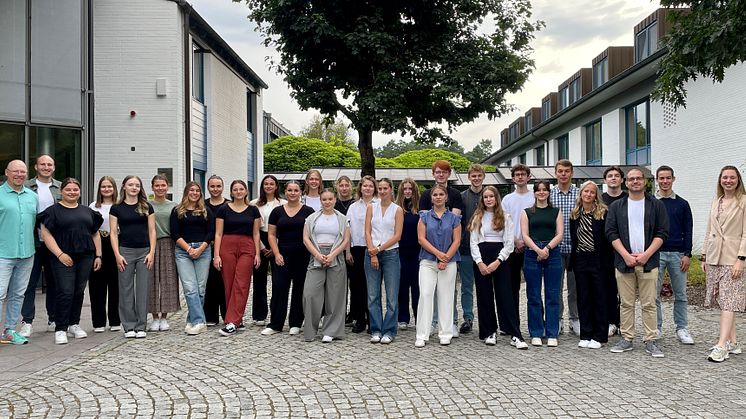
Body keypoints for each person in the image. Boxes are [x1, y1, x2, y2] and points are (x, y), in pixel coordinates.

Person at [606, 167, 669, 357]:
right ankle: (627, 338)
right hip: (623, 261)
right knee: (626, 303)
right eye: (631, 179)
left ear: (645, 182)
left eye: (638, 179)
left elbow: (662, 232)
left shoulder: (656, 205)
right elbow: (610, 232)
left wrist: (646, 255)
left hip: (648, 261)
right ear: (626, 182)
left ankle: (650, 340)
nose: (635, 182)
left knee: (649, 303)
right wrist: (625, 255)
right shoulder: (617, 206)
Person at [38, 178, 103, 344]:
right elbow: (46, 235)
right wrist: (60, 254)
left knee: (79, 291)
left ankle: (74, 324)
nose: (72, 192)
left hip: (86, 256)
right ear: (61, 191)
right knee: (65, 291)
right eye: (68, 190)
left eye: (75, 190)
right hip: (62, 257)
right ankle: (61, 328)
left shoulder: (87, 211)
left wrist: (98, 255)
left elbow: (95, 233)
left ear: (79, 192)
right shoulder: (52, 211)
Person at [469, 186, 527, 349]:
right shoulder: (477, 217)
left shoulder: (505, 217)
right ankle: (489, 331)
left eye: (491, 196)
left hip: (501, 259)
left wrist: (498, 261)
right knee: (484, 295)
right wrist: (479, 262)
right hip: (481, 258)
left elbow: (509, 244)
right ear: (482, 199)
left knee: (505, 295)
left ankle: (514, 333)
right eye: (485, 197)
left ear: (496, 198)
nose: (488, 199)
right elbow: (473, 242)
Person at [702, 166, 746, 362]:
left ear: (738, 180)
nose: (728, 180)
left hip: (733, 258)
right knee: (723, 299)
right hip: (714, 257)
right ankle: (733, 342)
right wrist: (704, 255)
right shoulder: (716, 201)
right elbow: (709, 228)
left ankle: (721, 346)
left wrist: (741, 259)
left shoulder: (744, 202)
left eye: (732, 177)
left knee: (729, 301)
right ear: (720, 179)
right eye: (725, 177)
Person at [262, 181, 315, 335]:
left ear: (300, 193)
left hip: (302, 255)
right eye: (290, 190)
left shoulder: (308, 211)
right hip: (282, 255)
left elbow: (311, 234)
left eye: (296, 190)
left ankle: (295, 323)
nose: (292, 193)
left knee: (299, 289)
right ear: (285, 192)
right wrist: (276, 253)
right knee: (279, 288)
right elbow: (271, 234)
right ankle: (275, 324)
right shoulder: (277, 212)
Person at [419, 160, 464, 337]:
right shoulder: (425, 200)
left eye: (441, 195)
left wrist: (446, 257)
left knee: (447, 296)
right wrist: (438, 255)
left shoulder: (455, 204)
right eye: (435, 195)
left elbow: (456, 238)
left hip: (449, 257)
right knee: (427, 293)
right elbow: (422, 236)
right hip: (429, 257)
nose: (438, 197)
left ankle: (446, 330)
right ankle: (425, 328)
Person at [110, 175, 156, 339]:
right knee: (125, 289)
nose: (134, 187)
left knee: (143, 289)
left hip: (144, 251)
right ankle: (129, 326)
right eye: (130, 184)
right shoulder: (116, 208)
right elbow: (114, 233)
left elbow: (152, 231)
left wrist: (152, 252)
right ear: (124, 187)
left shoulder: (146, 207)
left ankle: (141, 325)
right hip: (125, 251)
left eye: (137, 185)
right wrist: (117, 254)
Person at [20, 155, 61, 337]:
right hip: (32, 241)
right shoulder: (26, 186)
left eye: (49, 164)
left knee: (54, 282)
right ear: (36, 167)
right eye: (42, 164)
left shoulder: (61, 187)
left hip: (55, 242)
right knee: (29, 283)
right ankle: (27, 321)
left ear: (54, 167)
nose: (46, 167)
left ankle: (53, 318)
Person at [302, 189, 350, 342]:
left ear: (335, 200)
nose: (327, 202)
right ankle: (310, 330)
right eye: (324, 199)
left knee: (335, 296)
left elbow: (345, 240)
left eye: (330, 199)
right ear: (320, 201)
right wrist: (318, 255)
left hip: (336, 256)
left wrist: (332, 255)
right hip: (316, 255)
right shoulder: (312, 218)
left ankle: (331, 331)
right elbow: (306, 238)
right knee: (309, 294)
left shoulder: (342, 218)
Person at [214, 180, 261, 336]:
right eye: (235, 189)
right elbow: (218, 233)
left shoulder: (253, 210)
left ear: (246, 191)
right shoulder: (223, 209)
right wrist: (216, 255)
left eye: (241, 189)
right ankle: (235, 320)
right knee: (229, 283)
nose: (239, 191)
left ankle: (232, 321)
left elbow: (256, 233)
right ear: (231, 192)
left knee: (242, 283)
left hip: (247, 246)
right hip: (227, 246)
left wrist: (258, 254)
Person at [655, 165, 694, 344]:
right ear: (657, 180)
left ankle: (681, 328)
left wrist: (687, 254)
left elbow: (688, 230)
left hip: (678, 254)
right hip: (656, 254)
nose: (665, 181)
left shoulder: (682, 204)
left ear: (673, 179)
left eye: (668, 178)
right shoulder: (651, 202)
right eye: (661, 178)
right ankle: (657, 327)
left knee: (680, 294)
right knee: (653, 295)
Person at [521, 180, 563, 347]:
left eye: (545, 190)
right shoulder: (527, 212)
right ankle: (536, 332)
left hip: (552, 253)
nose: (542, 193)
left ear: (549, 192)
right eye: (538, 190)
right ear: (534, 193)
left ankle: (552, 332)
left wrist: (546, 248)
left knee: (553, 295)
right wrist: (538, 250)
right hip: (532, 253)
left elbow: (560, 234)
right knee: (534, 295)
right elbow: (525, 235)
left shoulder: (556, 211)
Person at [568, 181, 610, 349]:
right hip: (580, 260)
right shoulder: (575, 214)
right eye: (586, 191)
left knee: (599, 297)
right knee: (583, 297)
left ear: (596, 195)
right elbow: (573, 238)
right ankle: (586, 334)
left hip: (598, 260)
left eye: (592, 192)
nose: (588, 194)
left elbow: (607, 241)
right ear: (581, 193)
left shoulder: (603, 213)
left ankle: (599, 336)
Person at [0, 160, 38, 345]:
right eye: (15, 171)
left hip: (26, 254)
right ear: (7, 173)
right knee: (0, 293)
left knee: (18, 294)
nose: (19, 175)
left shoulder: (32, 196)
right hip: (3, 253)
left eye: (23, 172)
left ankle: (9, 330)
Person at [170, 182, 214, 336]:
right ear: (186, 192)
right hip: (183, 251)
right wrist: (189, 249)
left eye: (197, 190)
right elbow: (174, 233)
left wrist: (200, 249)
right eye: (191, 190)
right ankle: (199, 322)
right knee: (190, 288)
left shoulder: (206, 210)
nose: (194, 193)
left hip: (203, 250)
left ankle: (192, 319)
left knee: (200, 289)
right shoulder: (177, 211)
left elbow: (211, 233)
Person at [365, 178, 403, 344]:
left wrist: (379, 249)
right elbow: (367, 231)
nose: (382, 191)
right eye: (379, 188)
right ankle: (376, 329)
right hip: (371, 253)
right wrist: (373, 253)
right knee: (373, 295)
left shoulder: (397, 210)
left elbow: (397, 235)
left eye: (385, 188)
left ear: (391, 189)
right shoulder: (371, 207)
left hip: (390, 254)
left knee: (392, 296)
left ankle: (389, 330)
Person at [249, 175, 286, 326]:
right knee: (259, 280)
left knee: (278, 281)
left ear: (276, 186)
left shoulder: (283, 203)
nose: (269, 186)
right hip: (259, 240)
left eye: (272, 184)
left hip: (278, 240)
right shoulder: (254, 204)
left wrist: (274, 246)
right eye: (266, 184)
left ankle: (276, 313)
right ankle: (259, 314)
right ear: (262, 186)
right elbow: (253, 229)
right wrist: (263, 247)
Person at [501, 164, 535, 330]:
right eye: (517, 175)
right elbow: (503, 224)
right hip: (512, 247)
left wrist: (527, 241)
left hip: (531, 248)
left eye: (523, 174)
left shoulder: (535, 197)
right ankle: (511, 325)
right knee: (511, 287)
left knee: (533, 288)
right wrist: (516, 241)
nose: (520, 177)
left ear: (529, 177)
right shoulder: (507, 199)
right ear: (513, 178)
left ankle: (535, 325)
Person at [549, 159, 579, 336]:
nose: (563, 174)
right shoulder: (550, 195)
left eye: (567, 171)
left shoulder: (579, 193)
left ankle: (574, 319)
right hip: (556, 248)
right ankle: (557, 319)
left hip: (576, 248)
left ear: (571, 173)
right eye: (560, 171)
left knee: (575, 287)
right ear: (556, 173)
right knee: (556, 286)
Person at [88, 176, 121, 333]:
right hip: (97, 245)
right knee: (97, 285)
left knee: (116, 284)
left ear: (114, 188)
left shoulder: (120, 205)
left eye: (109, 186)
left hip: (116, 244)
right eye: (103, 187)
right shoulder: (93, 206)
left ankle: (115, 320)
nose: (106, 189)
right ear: (99, 189)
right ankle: (98, 322)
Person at [346, 175, 377, 333]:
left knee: (371, 286)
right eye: (365, 186)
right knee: (357, 286)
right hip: (356, 249)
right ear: (360, 188)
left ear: (374, 188)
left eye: (370, 186)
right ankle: (360, 319)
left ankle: (373, 320)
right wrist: (347, 251)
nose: (367, 188)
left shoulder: (379, 205)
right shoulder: (353, 207)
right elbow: (348, 230)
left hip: (373, 249)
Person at [148, 175, 179, 332]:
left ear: (167, 187)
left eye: (163, 185)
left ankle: (164, 317)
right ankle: (154, 317)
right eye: (157, 185)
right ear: (152, 187)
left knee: (168, 280)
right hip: (150, 244)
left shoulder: (174, 206)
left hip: (169, 243)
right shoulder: (146, 205)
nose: (160, 188)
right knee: (152, 280)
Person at [457, 164, 485, 334]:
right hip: (466, 248)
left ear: (483, 176)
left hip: (486, 248)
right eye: (473, 176)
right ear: (469, 177)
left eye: (479, 176)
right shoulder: (462, 197)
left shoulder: (490, 195)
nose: (476, 179)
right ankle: (468, 318)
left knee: (485, 286)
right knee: (467, 286)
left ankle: (487, 317)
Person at [601, 166, 627, 337]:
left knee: (625, 290)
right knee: (609, 288)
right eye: (610, 176)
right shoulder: (600, 199)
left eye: (617, 176)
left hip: (626, 250)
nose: (613, 178)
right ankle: (611, 321)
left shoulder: (628, 198)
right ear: (605, 181)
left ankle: (624, 323)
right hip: (605, 250)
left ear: (622, 180)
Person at [396, 178, 421, 330]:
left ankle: (419, 316)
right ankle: (403, 317)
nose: (407, 191)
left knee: (418, 286)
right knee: (402, 286)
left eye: (410, 189)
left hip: (418, 252)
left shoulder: (421, 208)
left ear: (414, 191)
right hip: (401, 251)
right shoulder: (396, 208)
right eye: (405, 189)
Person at [204, 175, 229, 326]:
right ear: (208, 188)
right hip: (206, 247)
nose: (215, 189)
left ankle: (227, 314)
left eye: (218, 186)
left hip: (225, 247)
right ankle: (210, 316)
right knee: (209, 282)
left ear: (222, 187)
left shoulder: (229, 205)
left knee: (225, 281)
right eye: (212, 186)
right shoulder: (202, 205)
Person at [333, 176, 355, 326]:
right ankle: (340, 314)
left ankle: (354, 312)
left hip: (354, 247)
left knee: (354, 283)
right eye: (341, 186)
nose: (344, 188)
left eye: (347, 185)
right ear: (337, 187)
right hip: (336, 247)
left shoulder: (355, 204)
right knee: (339, 284)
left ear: (351, 187)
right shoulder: (333, 204)